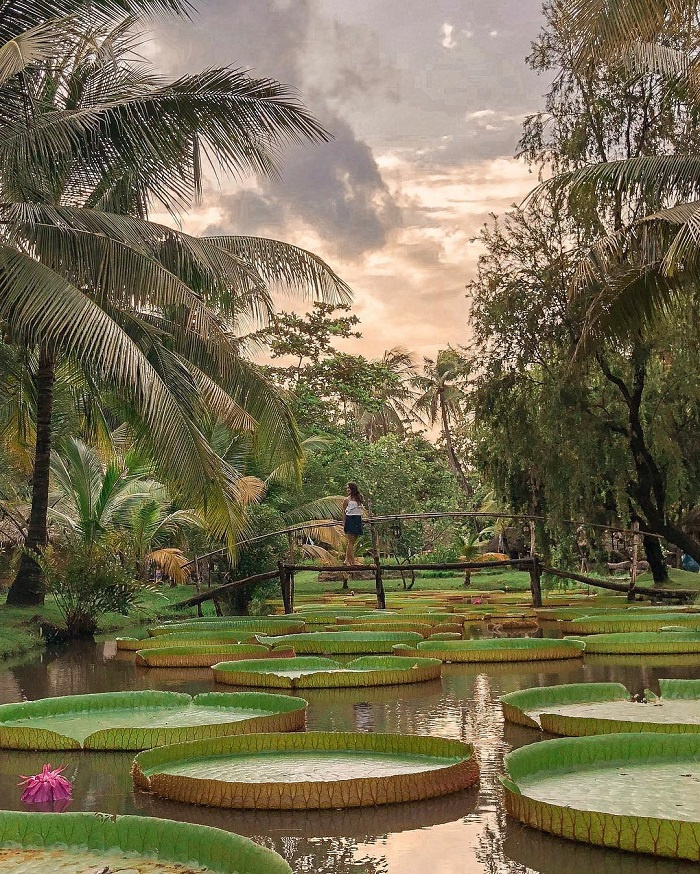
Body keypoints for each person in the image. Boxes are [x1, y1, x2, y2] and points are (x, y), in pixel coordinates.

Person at [343, 482, 364, 565]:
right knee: (351, 541)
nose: (347, 489)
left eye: (349, 488)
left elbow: (360, 509)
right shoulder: (346, 500)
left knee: (353, 541)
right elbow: (344, 513)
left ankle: (347, 560)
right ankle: (352, 561)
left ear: (353, 488)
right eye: (347, 488)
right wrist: (344, 524)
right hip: (350, 519)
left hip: (358, 519)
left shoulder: (359, 498)